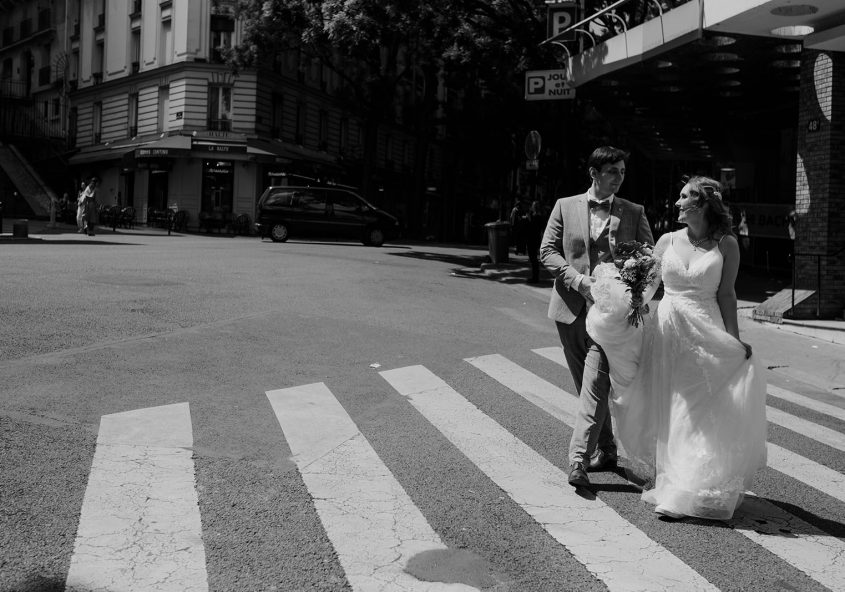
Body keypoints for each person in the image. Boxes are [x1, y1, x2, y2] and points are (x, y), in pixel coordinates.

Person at [587, 175, 767, 521]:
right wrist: (619, 305)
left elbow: (727, 295)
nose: (677, 203)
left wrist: (733, 338)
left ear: (703, 204)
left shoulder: (726, 244)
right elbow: (646, 288)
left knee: (698, 408)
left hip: (706, 330)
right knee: (673, 405)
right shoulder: (667, 240)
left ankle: (687, 488)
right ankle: (675, 484)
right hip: (668, 331)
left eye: (685, 197)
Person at [540, 146, 654, 489]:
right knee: (586, 386)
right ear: (594, 173)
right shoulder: (565, 205)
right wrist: (577, 280)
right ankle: (606, 449)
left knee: (596, 382)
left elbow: (650, 259)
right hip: (571, 310)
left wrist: (633, 288)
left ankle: (578, 459)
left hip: (612, 317)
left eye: (622, 171)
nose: (620, 177)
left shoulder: (634, 211)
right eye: (613, 171)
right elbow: (547, 250)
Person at [525, 200, 547, 283]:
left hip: (533, 239)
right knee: (533, 258)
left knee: (533, 258)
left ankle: (535, 278)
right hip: (536, 239)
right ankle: (535, 277)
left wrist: (529, 219)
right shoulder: (540, 216)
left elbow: (532, 227)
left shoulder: (536, 217)